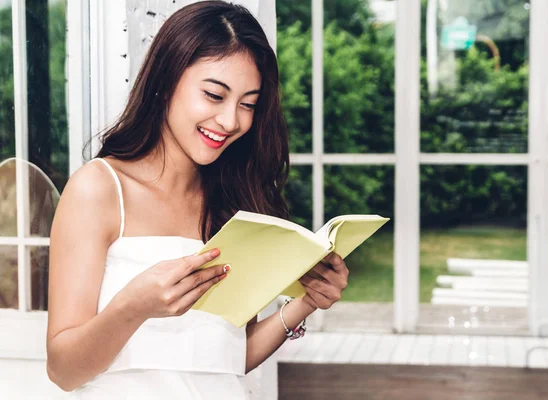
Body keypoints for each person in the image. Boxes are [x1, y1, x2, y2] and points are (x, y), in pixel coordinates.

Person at [45, 1, 349, 399]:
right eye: (213, 95)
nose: (230, 121)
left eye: (248, 104)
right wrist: (133, 307)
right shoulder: (99, 190)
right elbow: (63, 370)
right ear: (166, 80)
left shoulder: (235, 200)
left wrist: (305, 302)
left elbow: (224, 360)